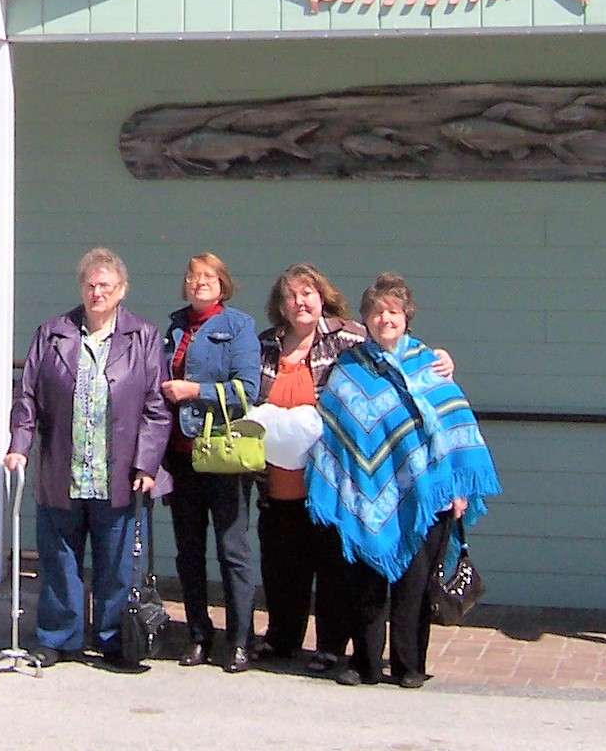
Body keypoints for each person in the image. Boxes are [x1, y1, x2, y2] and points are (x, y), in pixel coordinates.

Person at [254, 264, 455, 673]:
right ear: (281, 304)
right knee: (280, 566)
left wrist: (441, 359)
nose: (300, 301)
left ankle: (333, 646)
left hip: (332, 478)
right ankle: (282, 639)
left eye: (308, 292)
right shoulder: (264, 346)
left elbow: (396, 347)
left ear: (322, 296)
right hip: (276, 478)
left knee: (334, 570)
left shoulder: (348, 338)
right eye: (291, 295)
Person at [307, 272, 501, 688]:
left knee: (414, 586)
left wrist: (457, 489)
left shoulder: (429, 363)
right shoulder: (350, 368)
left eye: (392, 312)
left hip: (424, 495)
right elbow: (337, 431)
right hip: (365, 495)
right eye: (376, 313)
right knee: (367, 584)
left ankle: (410, 666)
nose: (384, 319)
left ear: (406, 316)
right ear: (366, 319)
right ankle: (365, 664)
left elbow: (454, 424)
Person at [4, 247, 171, 670]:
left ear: (122, 291)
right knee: (60, 557)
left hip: (118, 472)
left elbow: (155, 406)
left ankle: (116, 640)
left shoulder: (144, 336)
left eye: (106, 286)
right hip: (64, 466)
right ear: (82, 287)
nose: (98, 293)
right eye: (91, 285)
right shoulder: (53, 333)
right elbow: (28, 399)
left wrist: (147, 464)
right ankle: (59, 638)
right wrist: (18, 447)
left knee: (117, 562)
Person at [161, 253, 261, 673]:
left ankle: (239, 641)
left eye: (208, 276)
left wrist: (193, 390)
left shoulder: (239, 326)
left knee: (232, 550)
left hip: (222, 454)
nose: (199, 283)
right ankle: (199, 635)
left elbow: (247, 390)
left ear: (222, 283)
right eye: (192, 276)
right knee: (188, 552)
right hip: (181, 456)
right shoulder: (174, 328)